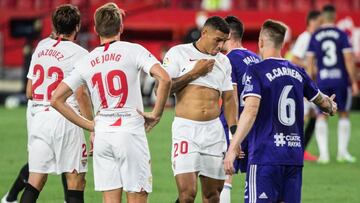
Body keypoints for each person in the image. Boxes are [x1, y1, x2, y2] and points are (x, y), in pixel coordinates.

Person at [50, 3, 171, 203]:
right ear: (121, 27)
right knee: (137, 197)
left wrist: (90, 125)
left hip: (103, 135)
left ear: (96, 30)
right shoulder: (134, 50)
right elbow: (165, 78)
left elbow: (56, 99)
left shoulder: (87, 60)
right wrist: (156, 114)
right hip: (129, 131)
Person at [224, 19, 337, 203]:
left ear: (261, 42)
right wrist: (331, 106)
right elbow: (323, 102)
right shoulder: (298, 72)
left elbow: (251, 110)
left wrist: (233, 146)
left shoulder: (256, 71)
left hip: (265, 156)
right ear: (282, 43)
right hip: (293, 157)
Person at [19, 4, 93, 203]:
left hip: (39, 118)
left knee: (35, 181)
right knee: (75, 181)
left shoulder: (40, 49)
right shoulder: (80, 54)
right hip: (65, 117)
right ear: (77, 27)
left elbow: (29, 91)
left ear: (54, 25)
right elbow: (81, 94)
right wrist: (92, 126)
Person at [163, 16, 237, 203]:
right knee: (187, 194)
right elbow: (163, 89)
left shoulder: (224, 62)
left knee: (213, 196)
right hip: (186, 130)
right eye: (218, 40)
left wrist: (234, 134)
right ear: (204, 33)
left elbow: (229, 100)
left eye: (224, 41)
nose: (221, 45)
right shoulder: (178, 53)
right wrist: (195, 73)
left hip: (213, 132)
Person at [1, 34, 70, 203]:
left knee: (60, 159)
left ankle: (10, 197)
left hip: (42, 107)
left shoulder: (42, 46)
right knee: (50, 161)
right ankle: (10, 196)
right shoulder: (67, 50)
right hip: (47, 106)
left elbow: (29, 90)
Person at [307, 4, 359, 163]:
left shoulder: (316, 35)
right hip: (340, 80)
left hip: (322, 80)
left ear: (323, 17)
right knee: (344, 113)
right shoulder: (342, 34)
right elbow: (349, 59)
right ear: (335, 16)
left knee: (321, 116)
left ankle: (324, 155)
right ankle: (342, 153)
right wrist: (354, 81)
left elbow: (310, 61)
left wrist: (309, 84)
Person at [219, 15, 260, 203]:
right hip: (255, 125)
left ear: (227, 36)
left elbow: (231, 99)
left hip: (233, 125)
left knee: (224, 178)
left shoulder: (228, 60)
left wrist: (233, 136)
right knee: (254, 180)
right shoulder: (256, 59)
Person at [291, 10, 322, 162]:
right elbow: (294, 59)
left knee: (313, 116)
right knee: (302, 117)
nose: (321, 25)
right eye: (319, 22)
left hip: (311, 83)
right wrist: (310, 66)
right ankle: (296, 149)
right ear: (311, 22)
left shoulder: (315, 38)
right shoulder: (305, 38)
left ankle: (302, 150)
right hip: (302, 83)